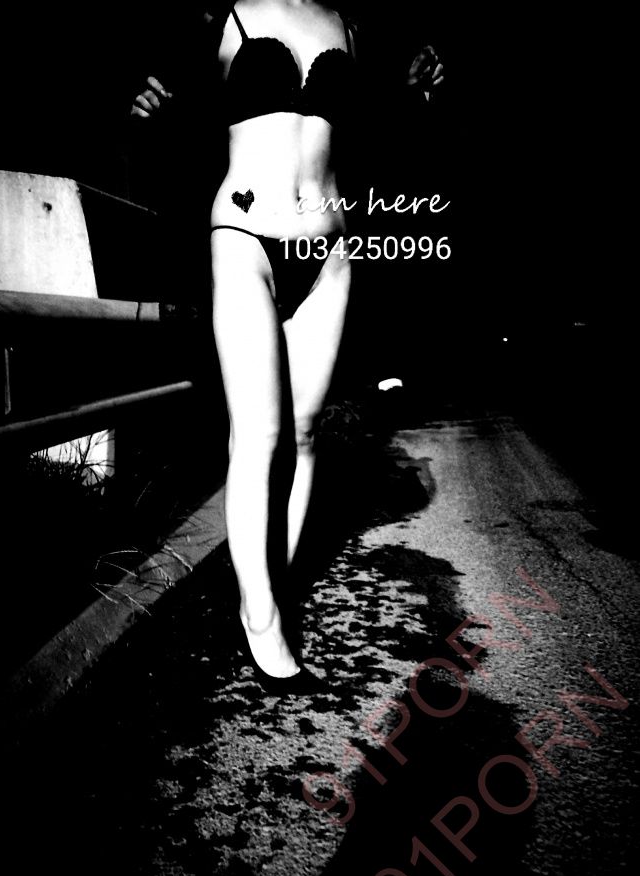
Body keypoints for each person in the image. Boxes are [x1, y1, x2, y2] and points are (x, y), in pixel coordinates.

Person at [131, 1, 443, 692]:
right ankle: (260, 616)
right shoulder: (226, 15)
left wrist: (415, 89)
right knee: (259, 432)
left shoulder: (348, 25)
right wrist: (146, 105)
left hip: (329, 251)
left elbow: (377, 135)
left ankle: (276, 588)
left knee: (302, 434)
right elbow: (166, 102)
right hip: (245, 237)